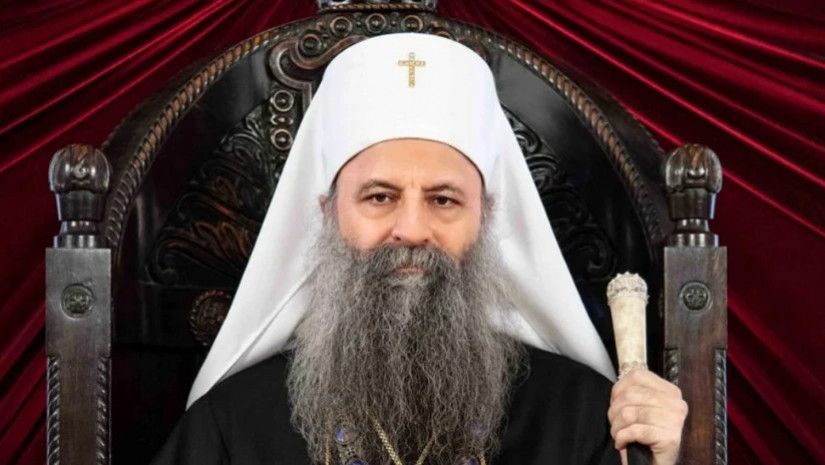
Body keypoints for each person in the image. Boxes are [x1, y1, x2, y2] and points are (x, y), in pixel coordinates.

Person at [151, 33, 687, 465]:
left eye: (443, 199)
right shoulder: (234, 425)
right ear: (327, 213)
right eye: (379, 197)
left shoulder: (580, 416)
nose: (411, 230)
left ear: (486, 218)